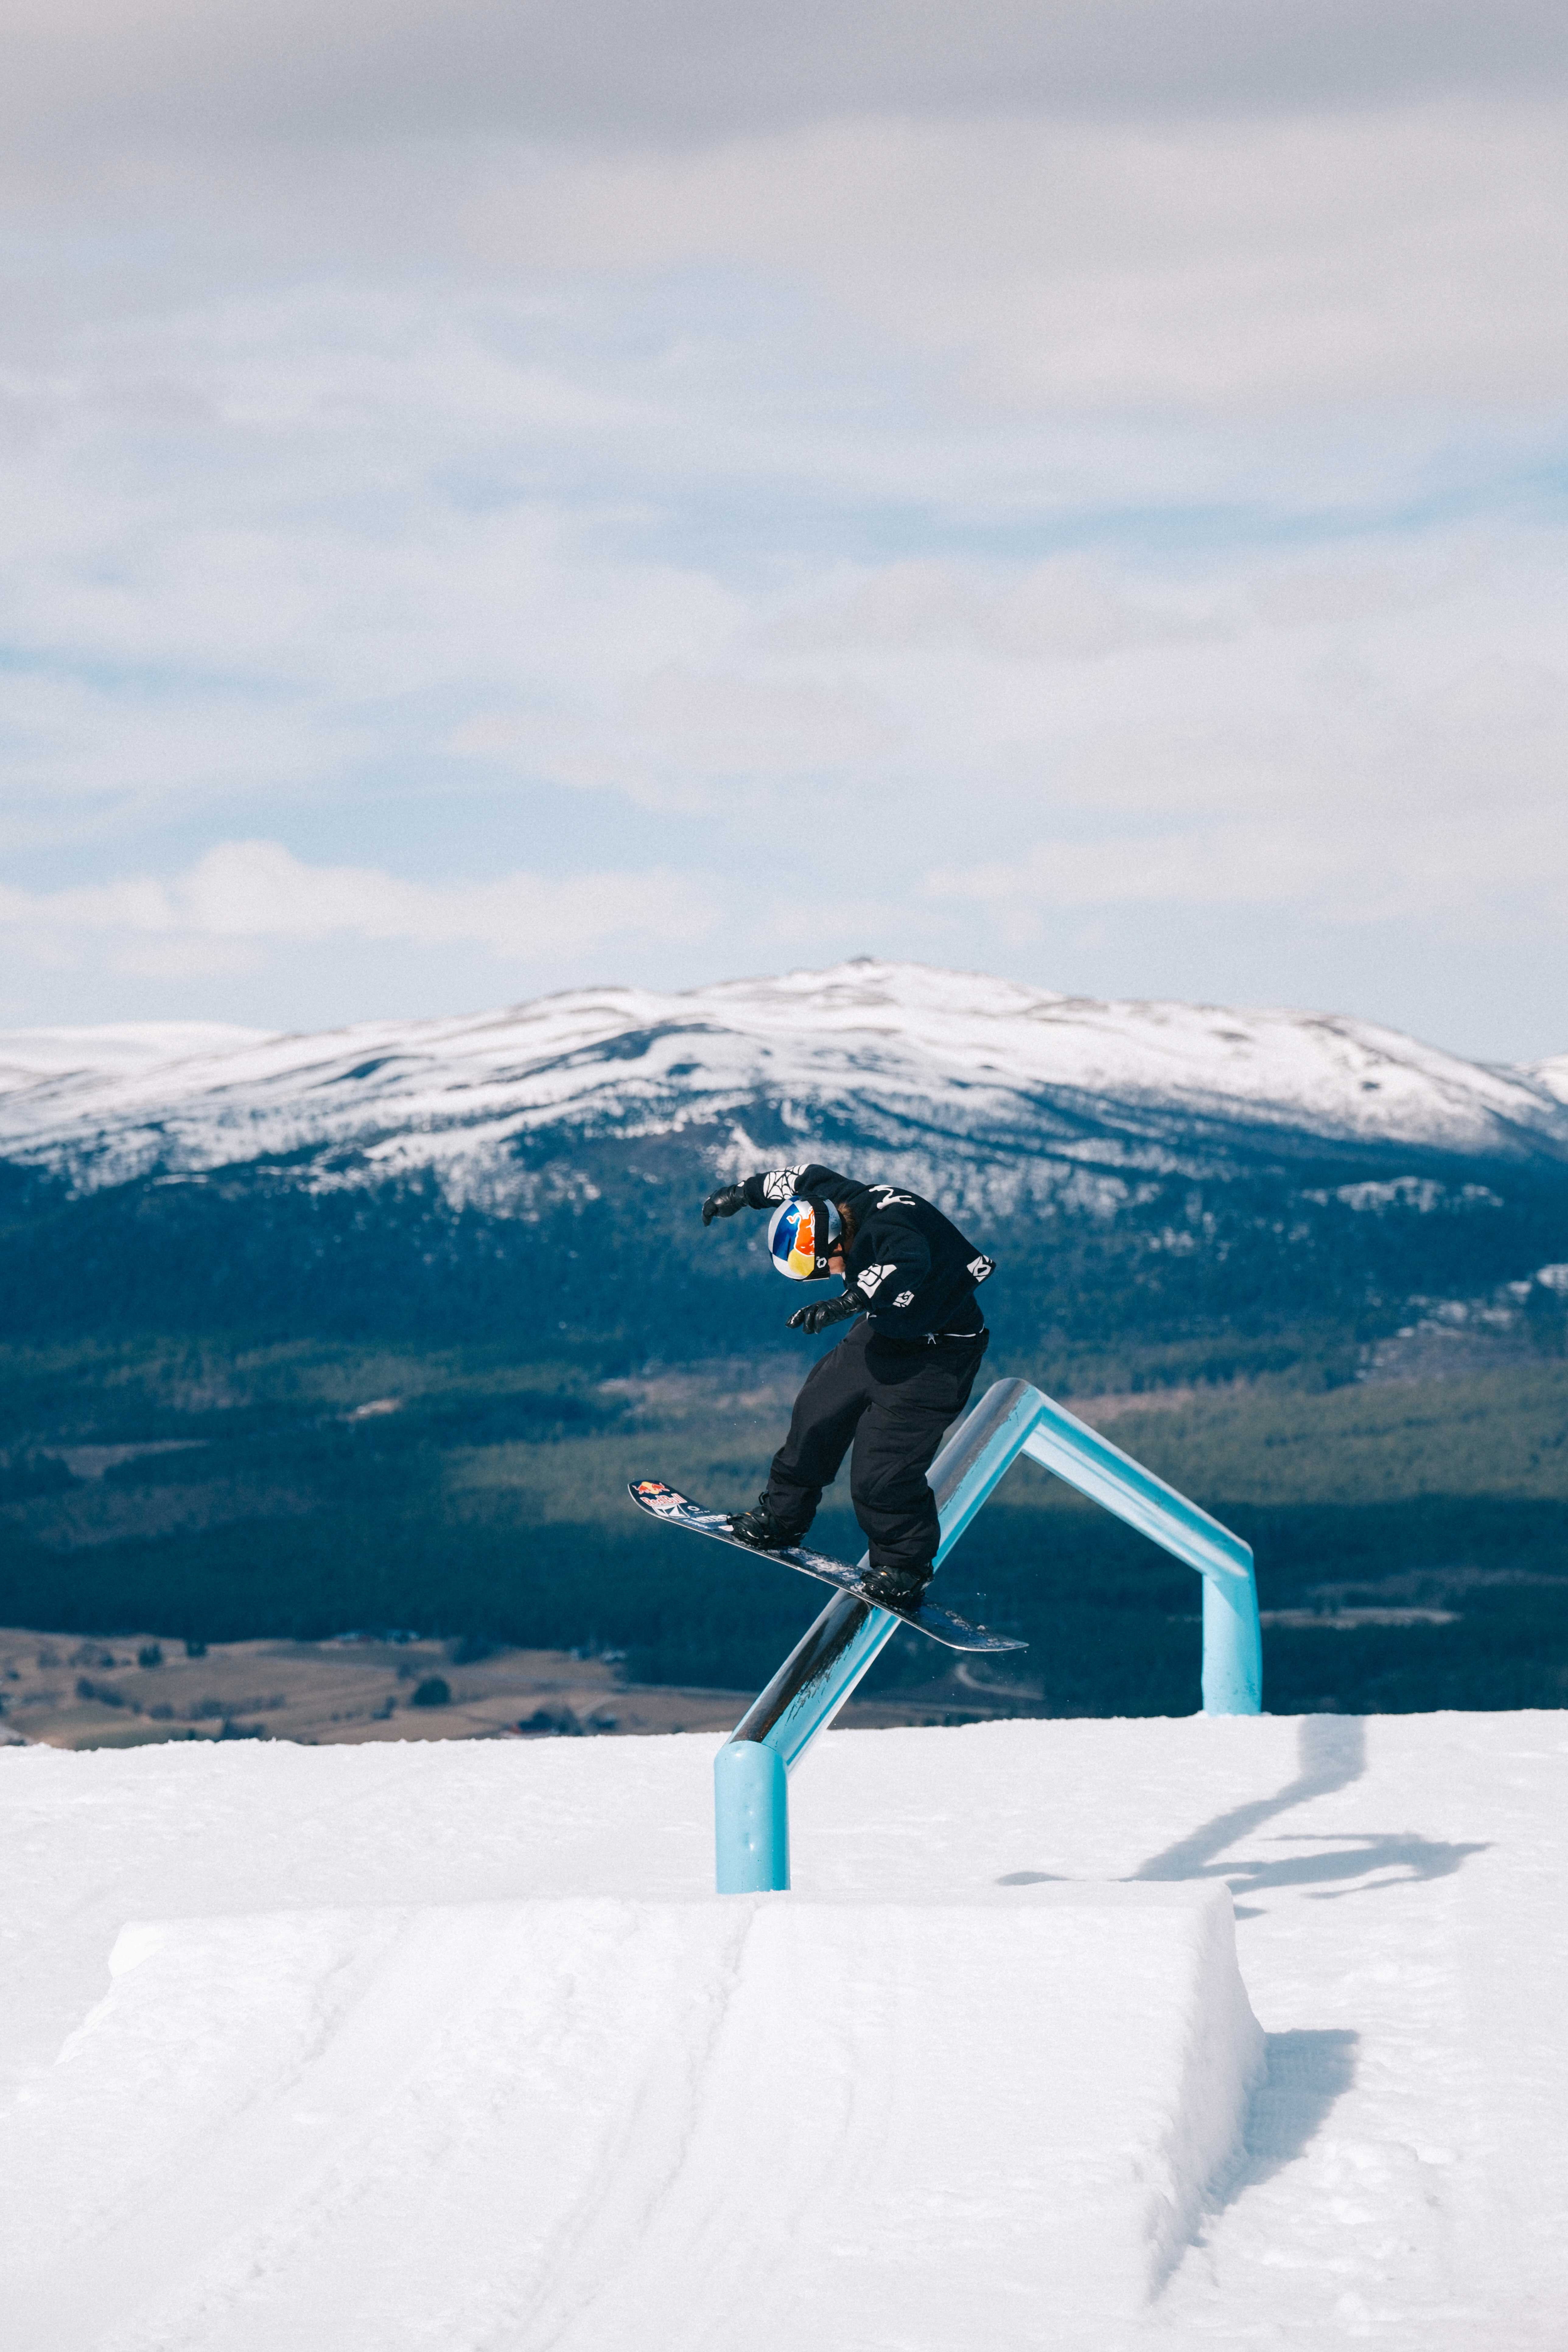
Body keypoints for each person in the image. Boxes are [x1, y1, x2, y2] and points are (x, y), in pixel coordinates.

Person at [700, 1163, 996, 1614]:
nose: (822, 1277)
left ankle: (905, 1568)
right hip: (884, 1334)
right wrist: (739, 1195)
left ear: (836, 1243)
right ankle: (783, 1518)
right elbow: (796, 1178)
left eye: (818, 1268)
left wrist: (848, 1302)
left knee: (882, 1473)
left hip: (939, 1356)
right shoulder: (834, 1201)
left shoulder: (892, 1233)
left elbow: (908, 1261)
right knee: (816, 1415)